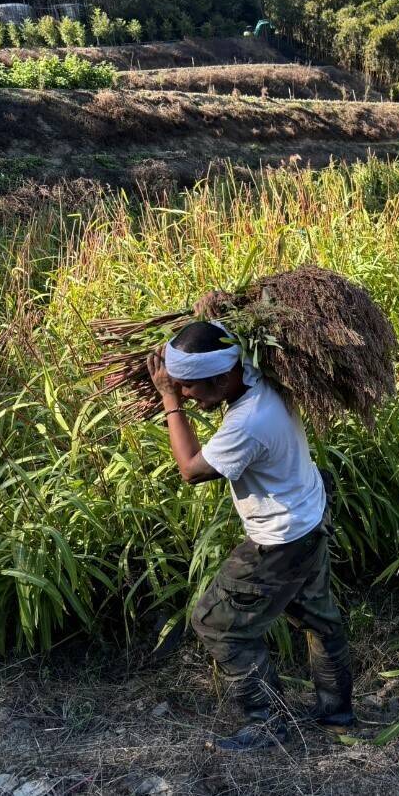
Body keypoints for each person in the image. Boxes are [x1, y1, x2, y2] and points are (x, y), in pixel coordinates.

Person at [146, 317, 355, 752]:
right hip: (309, 516)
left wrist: (169, 401)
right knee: (320, 620)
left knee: (216, 624)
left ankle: (268, 724)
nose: (185, 391)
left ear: (223, 377)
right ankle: (337, 714)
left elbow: (191, 469)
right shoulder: (265, 375)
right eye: (179, 385)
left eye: (190, 386)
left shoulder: (249, 423)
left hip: (278, 540)